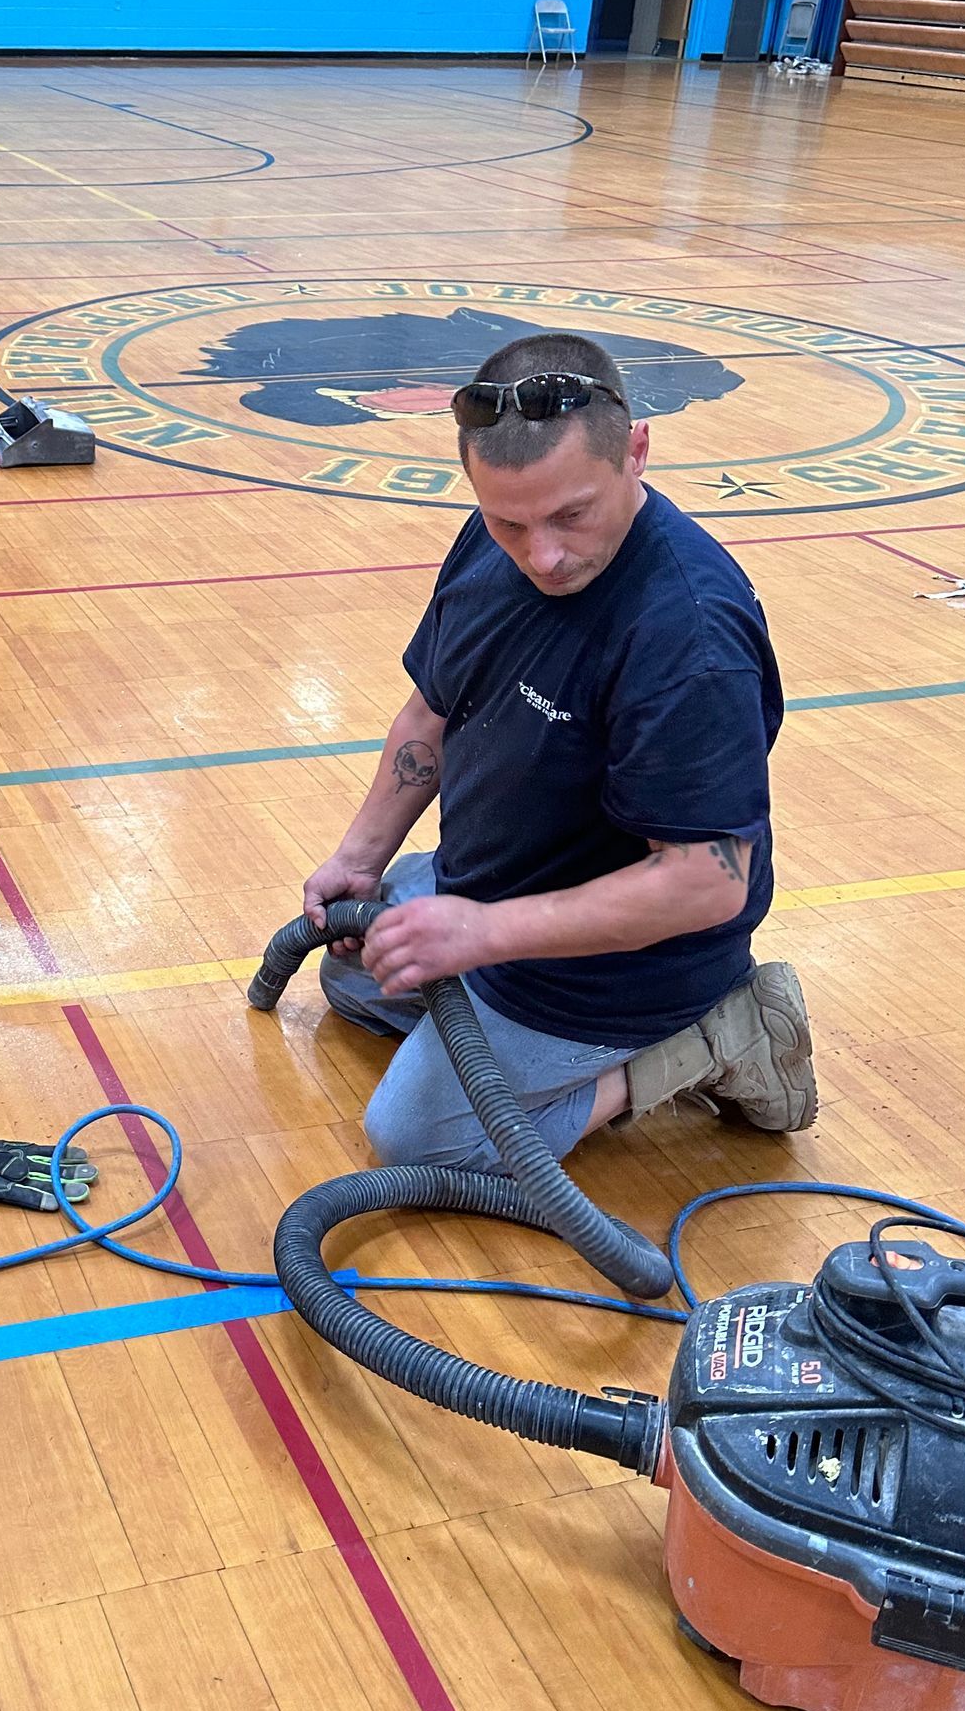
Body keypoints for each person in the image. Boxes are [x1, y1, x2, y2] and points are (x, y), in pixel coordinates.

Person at [304, 328, 815, 1171]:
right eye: (509, 522)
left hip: (628, 963)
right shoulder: (495, 537)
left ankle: (720, 1036)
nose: (543, 555)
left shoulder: (687, 636)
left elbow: (704, 885)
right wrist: (360, 858)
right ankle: (476, 999)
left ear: (637, 452)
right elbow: (430, 710)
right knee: (354, 977)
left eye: (572, 515)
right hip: (501, 886)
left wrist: (481, 933)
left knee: (420, 1140)